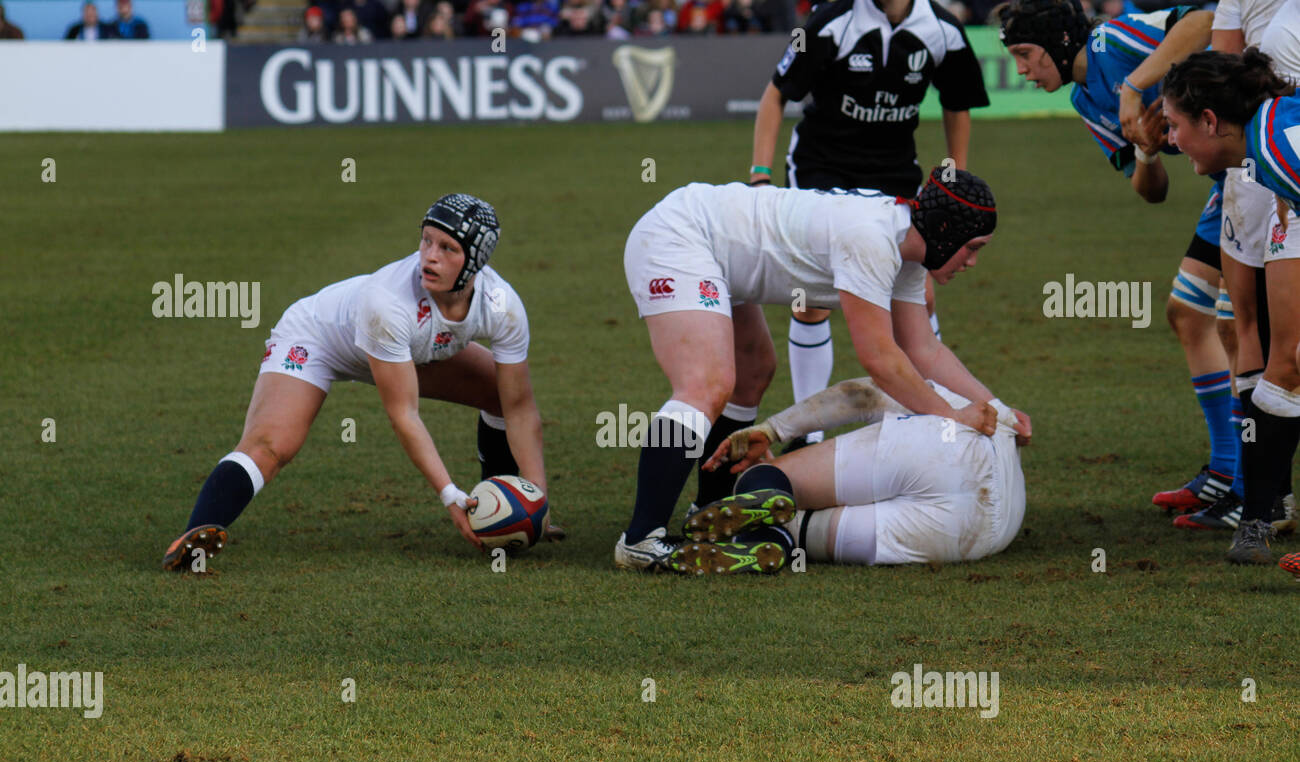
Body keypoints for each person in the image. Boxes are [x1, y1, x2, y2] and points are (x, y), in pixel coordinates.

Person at [614, 168, 1031, 570]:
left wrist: (997, 408)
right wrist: (952, 416)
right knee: (706, 383)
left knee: (754, 372)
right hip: (680, 235)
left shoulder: (905, 249)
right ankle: (641, 539)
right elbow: (881, 360)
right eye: (973, 247)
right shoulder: (872, 239)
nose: (972, 261)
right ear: (945, 231)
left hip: (714, 249)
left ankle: (712, 509)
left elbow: (924, 350)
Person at [163, 195, 557, 571]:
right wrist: (449, 493)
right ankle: (197, 533)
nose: (430, 256)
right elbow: (404, 414)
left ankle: (495, 512)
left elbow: (521, 408)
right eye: (426, 240)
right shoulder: (387, 300)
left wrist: (534, 503)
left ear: (475, 262)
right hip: (319, 339)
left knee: (502, 398)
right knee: (273, 444)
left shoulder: (502, 306)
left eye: (448, 248)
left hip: (407, 350)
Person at [998, 0, 1242, 527]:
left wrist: (1134, 86)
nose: (1021, 70)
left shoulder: (1112, 41)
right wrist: (1150, 152)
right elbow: (1148, 190)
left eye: (1025, 54)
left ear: (1060, 42)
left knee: (1239, 327)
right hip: (1226, 183)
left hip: (1253, 166)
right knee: (1189, 314)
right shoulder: (1086, 103)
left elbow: (1201, 21)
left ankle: (1248, 485)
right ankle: (1228, 472)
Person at [750, 0, 990, 451]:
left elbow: (958, 104)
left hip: (893, 176)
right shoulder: (827, 22)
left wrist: (954, 178)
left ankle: (936, 413)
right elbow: (777, 93)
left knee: (921, 295)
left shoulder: (944, 31)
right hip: (821, 170)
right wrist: (760, 175)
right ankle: (809, 434)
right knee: (811, 299)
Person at [1162, 48, 1300, 568]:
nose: (1171, 141)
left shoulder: (1279, 147)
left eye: (1174, 126)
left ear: (1211, 120)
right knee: (1284, 363)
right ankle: (1260, 517)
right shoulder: (1256, 163)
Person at [665, 377, 1027, 573]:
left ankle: (762, 503)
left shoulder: (941, 393)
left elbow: (859, 396)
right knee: (803, 531)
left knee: (767, 478)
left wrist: (774, 430)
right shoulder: (1000, 415)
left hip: (944, 448)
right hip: (981, 535)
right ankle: (772, 540)